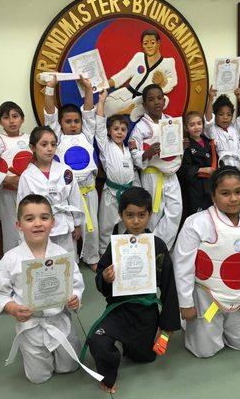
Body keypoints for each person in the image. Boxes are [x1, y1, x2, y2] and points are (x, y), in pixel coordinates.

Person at [173, 166, 240, 358]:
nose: (233, 198)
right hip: (207, 298)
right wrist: (186, 303)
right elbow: (183, 265)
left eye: (239, 192)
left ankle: (221, 325)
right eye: (225, 193)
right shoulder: (197, 223)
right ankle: (194, 325)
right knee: (205, 351)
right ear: (213, 196)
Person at [84, 187, 180, 393]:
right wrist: (105, 278)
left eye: (141, 215)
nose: (136, 221)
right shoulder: (116, 246)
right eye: (129, 215)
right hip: (119, 311)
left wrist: (167, 326)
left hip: (145, 313)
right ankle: (108, 377)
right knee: (97, 341)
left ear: (149, 215)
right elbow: (101, 275)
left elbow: (169, 285)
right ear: (120, 215)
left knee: (144, 358)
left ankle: (133, 343)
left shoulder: (158, 246)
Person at [0, 194, 85, 384]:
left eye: (44, 217)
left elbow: (76, 283)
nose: (37, 224)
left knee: (70, 367)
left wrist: (75, 298)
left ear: (53, 222)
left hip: (60, 321)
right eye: (29, 218)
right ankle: (32, 354)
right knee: (38, 378)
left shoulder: (62, 255)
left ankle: (58, 354)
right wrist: (12, 308)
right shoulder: (11, 258)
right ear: (18, 225)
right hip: (31, 324)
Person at [42, 75, 99, 270]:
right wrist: (50, 88)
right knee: (70, 230)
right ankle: (71, 262)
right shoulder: (56, 137)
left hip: (88, 189)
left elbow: (89, 112)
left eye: (76, 121)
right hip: (67, 193)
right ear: (61, 123)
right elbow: (50, 114)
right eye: (68, 121)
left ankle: (92, 257)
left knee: (92, 228)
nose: (73, 125)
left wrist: (89, 89)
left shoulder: (87, 134)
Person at [129, 84, 183, 250]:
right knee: (154, 215)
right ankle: (151, 251)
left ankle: (160, 248)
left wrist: (182, 145)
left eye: (160, 98)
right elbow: (133, 152)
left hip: (171, 174)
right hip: (152, 175)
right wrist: (148, 153)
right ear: (144, 104)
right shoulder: (140, 127)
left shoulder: (171, 122)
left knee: (175, 211)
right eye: (151, 99)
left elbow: (175, 148)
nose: (157, 102)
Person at [17, 126, 84, 255]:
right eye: (44, 144)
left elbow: (75, 198)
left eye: (53, 144)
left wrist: (77, 224)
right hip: (39, 225)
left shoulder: (65, 170)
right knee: (44, 260)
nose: (49, 148)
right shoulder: (27, 175)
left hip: (64, 224)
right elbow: (22, 206)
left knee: (67, 260)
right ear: (32, 147)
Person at [0, 101, 32, 252]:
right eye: (6, 117)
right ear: (0, 121)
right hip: (9, 192)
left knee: (32, 225)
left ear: (22, 119)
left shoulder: (31, 139)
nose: (11, 121)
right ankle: (13, 266)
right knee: (12, 228)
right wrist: (7, 179)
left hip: (31, 190)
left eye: (15, 116)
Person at [94, 89, 138, 254]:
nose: (119, 132)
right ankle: (103, 253)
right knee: (106, 226)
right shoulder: (106, 146)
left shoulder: (128, 150)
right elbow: (99, 125)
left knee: (124, 225)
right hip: (111, 193)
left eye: (123, 129)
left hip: (127, 193)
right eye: (116, 129)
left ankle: (122, 253)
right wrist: (102, 101)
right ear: (109, 131)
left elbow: (133, 173)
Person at [104, 29, 178, 122]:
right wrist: (103, 85)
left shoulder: (168, 62)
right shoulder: (139, 57)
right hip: (126, 94)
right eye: (145, 43)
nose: (149, 46)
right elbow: (124, 74)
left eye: (152, 42)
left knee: (164, 100)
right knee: (107, 107)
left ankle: (135, 111)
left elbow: (173, 81)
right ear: (142, 45)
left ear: (158, 43)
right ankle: (127, 111)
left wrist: (163, 82)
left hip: (145, 100)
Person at [204, 87, 240, 173]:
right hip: (222, 169)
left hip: (238, 168)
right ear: (215, 115)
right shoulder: (213, 130)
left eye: (229, 114)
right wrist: (210, 99)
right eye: (221, 114)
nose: (225, 117)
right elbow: (208, 120)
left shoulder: (235, 129)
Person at [178, 111, 215, 220]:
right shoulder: (185, 144)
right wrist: (202, 169)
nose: (196, 127)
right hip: (194, 186)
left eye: (199, 123)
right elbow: (183, 168)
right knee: (196, 216)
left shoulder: (209, 141)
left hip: (209, 184)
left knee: (210, 214)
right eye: (192, 125)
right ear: (186, 128)